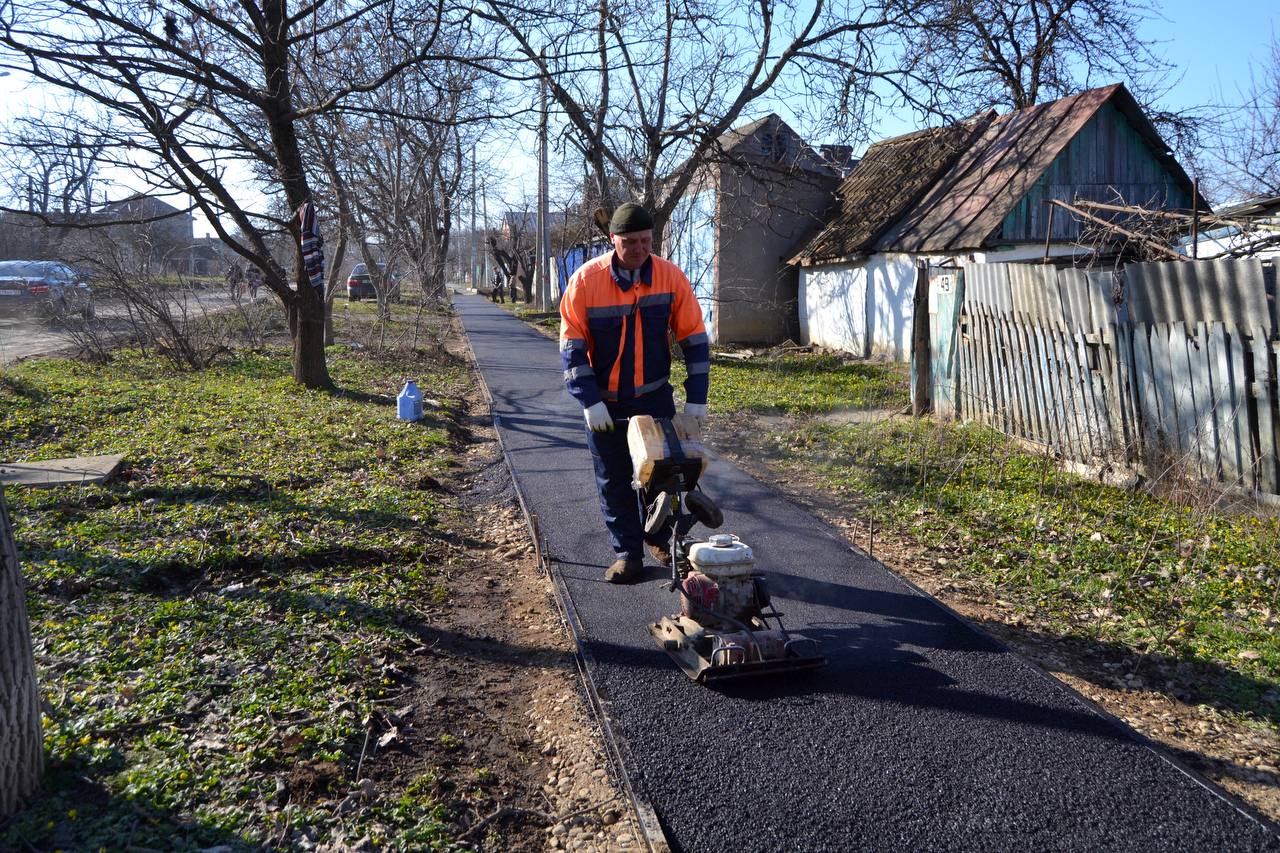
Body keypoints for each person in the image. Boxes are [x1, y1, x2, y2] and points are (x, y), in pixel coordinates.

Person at [559, 203, 710, 583]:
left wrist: (697, 398)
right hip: (606, 403)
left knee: (662, 475)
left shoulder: (670, 277)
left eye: (646, 240)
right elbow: (572, 349)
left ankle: (662, 541)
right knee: (614, 480)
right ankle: (628, 553)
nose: (639, 248)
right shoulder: (585, 282)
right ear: (613, 240)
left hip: (654, 398)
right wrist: (590, 401)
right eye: (630, 242)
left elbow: (694, 339)